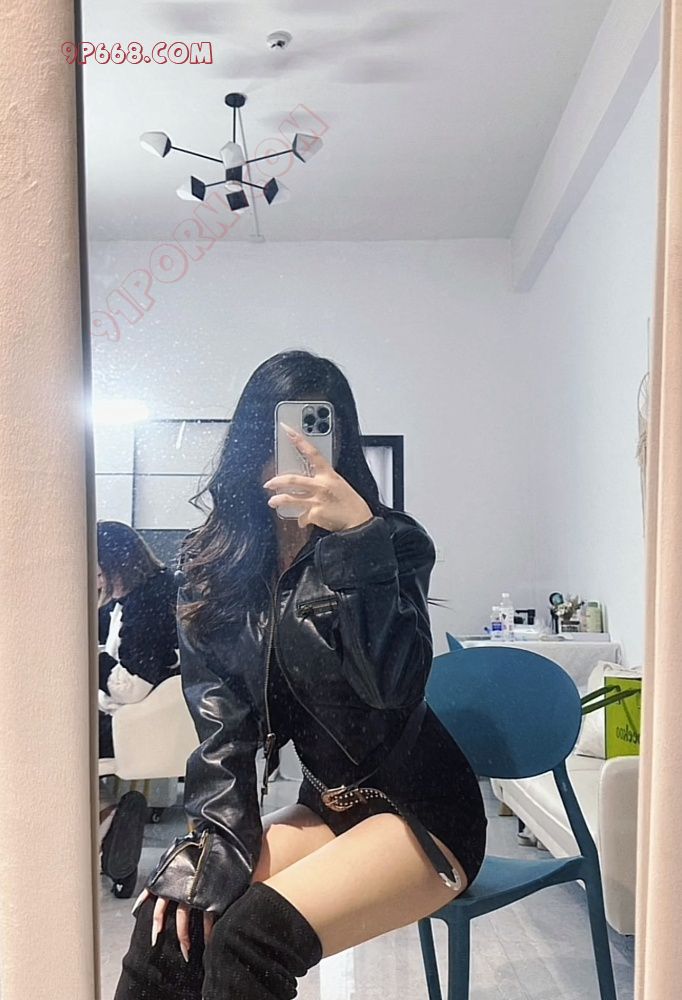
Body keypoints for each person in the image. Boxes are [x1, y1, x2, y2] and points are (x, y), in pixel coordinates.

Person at [114, 351, 487, 999]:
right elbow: (222, 730)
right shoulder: (214, 566)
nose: (294, 456)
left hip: (424, 808)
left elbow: (393, 690)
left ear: (342, 443)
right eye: (276, 437)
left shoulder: (392, 542)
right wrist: (214, 843)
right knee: (167, 930)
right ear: (249, 445)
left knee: (249, 939)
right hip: (329, 804)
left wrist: (356, 545)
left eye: (314, 434)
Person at [97, 522, 180, 897]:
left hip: (135, 726)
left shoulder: (145, 603)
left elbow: (131, 685)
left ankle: (106, 818)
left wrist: (93, 658)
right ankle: (108, 820)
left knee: (47, 745)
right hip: (154, 721)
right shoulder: (153, 590)